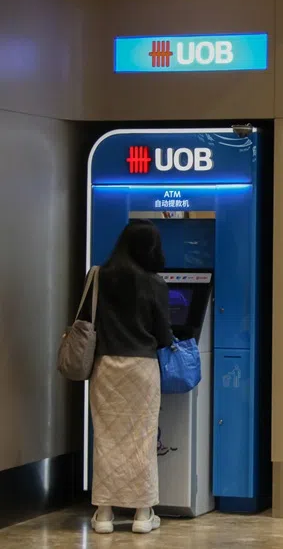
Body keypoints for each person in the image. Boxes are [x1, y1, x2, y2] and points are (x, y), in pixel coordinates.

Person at [87, 220, 173, 534]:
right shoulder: (155, 283)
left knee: (106, 439)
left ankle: (105, 514)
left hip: (106, 367)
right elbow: (164, 336)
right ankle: (142, 513)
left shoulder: (99, 277)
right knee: (142, 439)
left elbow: (87, 321)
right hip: (142, 370)